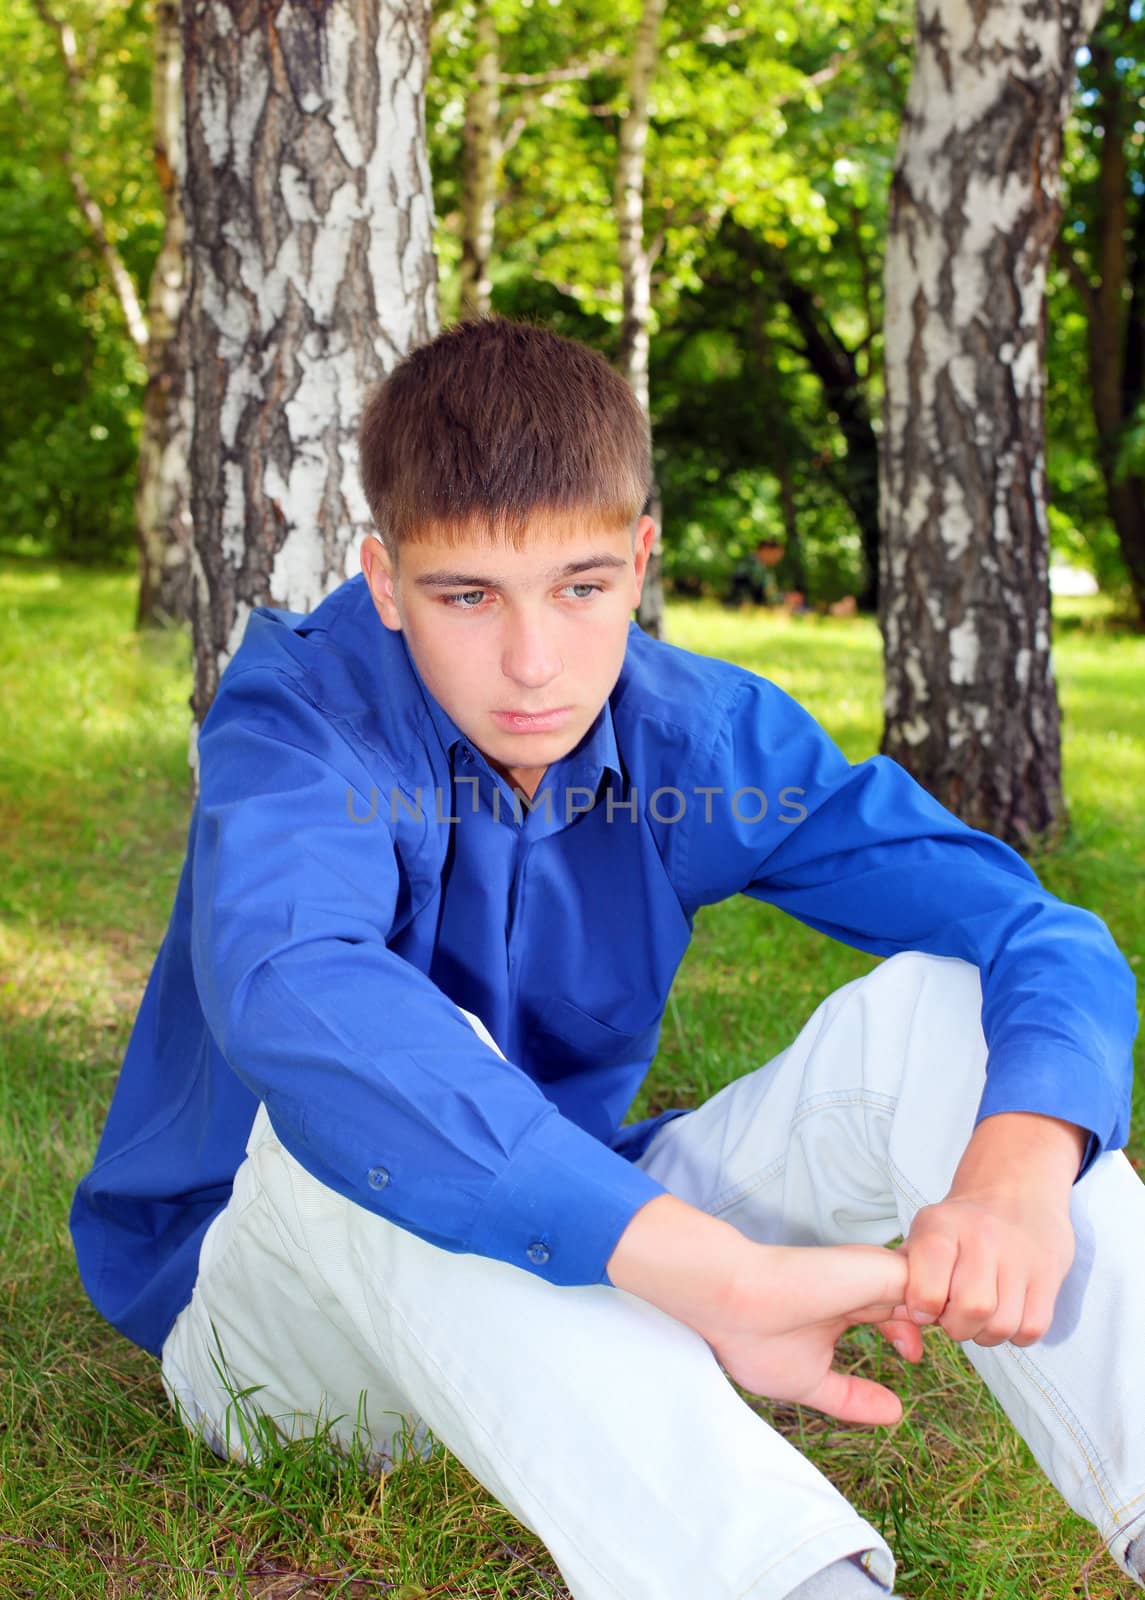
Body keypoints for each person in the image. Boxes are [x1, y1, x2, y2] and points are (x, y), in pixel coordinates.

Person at [72, 318, 1144, 1600]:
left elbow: (1028, 927)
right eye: (465, 594)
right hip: (293, 1327)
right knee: (383, 1079)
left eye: (580, 588)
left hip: (598, 1268)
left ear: (639, 562)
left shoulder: (693, 732)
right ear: (381, 579)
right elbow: (301, 997)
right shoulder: (301, 720)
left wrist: (1020, 1169)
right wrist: (725, 1277)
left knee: (943, 1011)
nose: (533, 663)